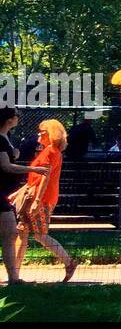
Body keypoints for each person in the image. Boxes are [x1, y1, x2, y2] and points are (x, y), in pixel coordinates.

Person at [15, 119, 76, 282]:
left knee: (40, 235)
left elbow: (45, 178)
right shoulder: (48, 151)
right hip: (35, 197)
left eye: (43, 131)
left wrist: (37, 201)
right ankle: (14, 274)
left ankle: (69, 262)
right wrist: (20, 192)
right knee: (22, 233)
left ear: (51, 134)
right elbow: (35, 178)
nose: (39, 134)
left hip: (42, 199)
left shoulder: (51, 151)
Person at [0, 108, 49, 285]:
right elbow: (6, 166)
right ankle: (13, 278)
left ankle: (13, 278)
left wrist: (16, 153)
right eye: (16, 116)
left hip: (5, 194)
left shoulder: (7, 138)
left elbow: (10, 157)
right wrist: (33, 169)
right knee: (10, 234)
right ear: (9, 120)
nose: (18, 119)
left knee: (10, 235)